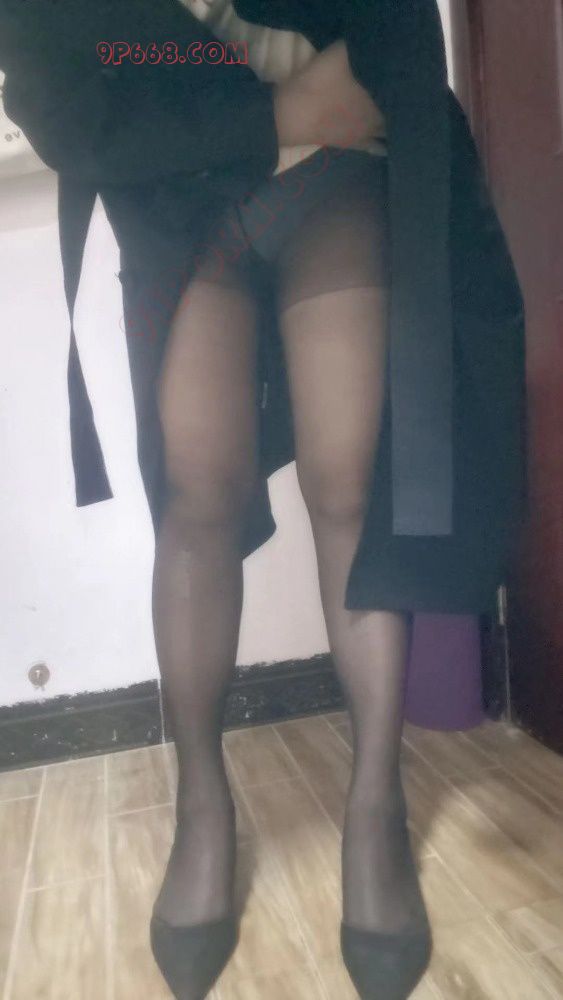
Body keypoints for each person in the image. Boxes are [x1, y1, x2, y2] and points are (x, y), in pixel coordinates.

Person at [0, 1, 527, 997]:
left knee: (346, 478)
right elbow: (70, 111)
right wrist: (279, 112)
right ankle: (201, 802)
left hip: (335, 170)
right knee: (196, 496)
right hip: (179, 198)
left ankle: (374, 806)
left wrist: (332, 100)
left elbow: (393, 31)